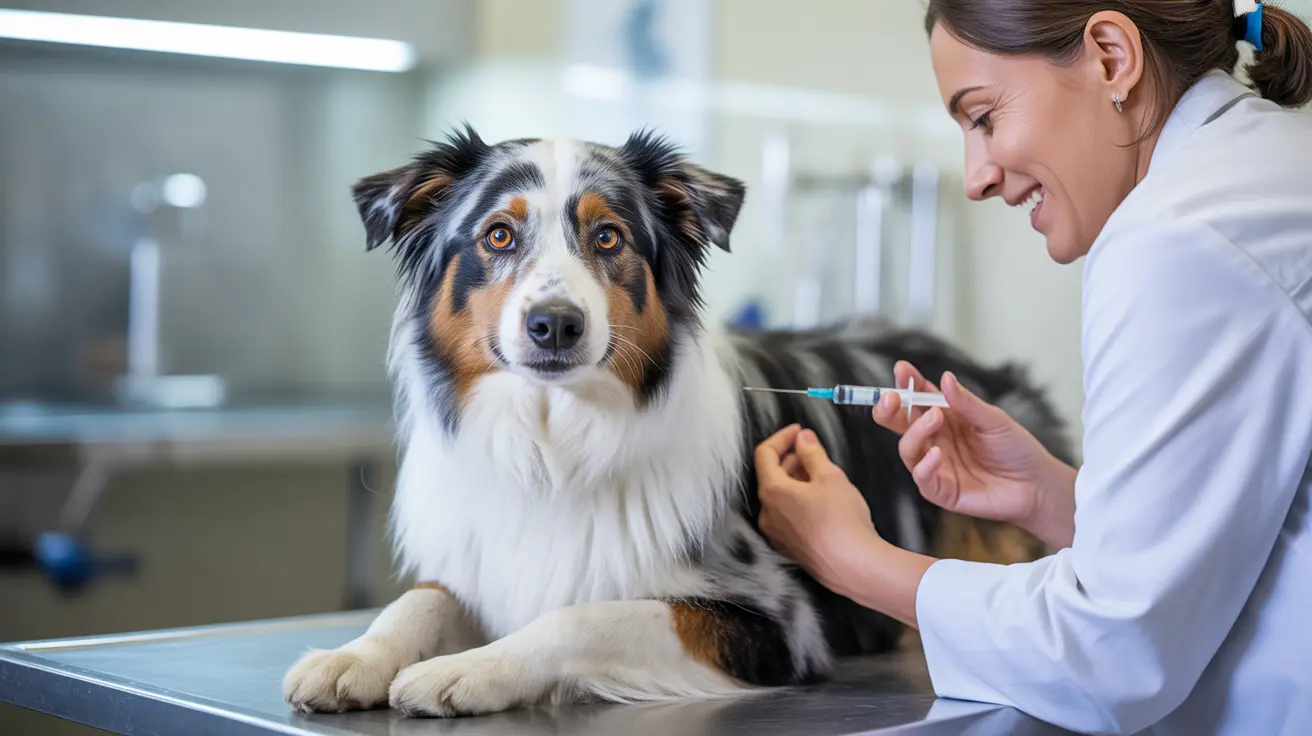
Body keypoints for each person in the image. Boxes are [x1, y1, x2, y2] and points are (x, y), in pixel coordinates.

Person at [753, 2, 1312, 734]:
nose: (975, 178)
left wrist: (851, 559)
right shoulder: (1264, 164)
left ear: (1112, 56)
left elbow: (1111, 653)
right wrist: (1051, 495)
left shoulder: (1175, 236)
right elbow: (1242, 543)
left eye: (983, 117)